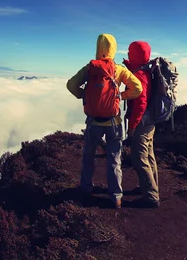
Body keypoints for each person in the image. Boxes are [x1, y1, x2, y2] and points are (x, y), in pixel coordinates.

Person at [67, 33, 142, 209]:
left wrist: (83, 95)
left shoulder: (90, 68)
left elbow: (71, 85)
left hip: (93, 122)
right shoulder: (119, 69)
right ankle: (116, 196)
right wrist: (121, 96)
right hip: (113, 122)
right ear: (113, 49)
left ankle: (86, 188)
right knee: (114, 158)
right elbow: (137, 88)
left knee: (88, 156)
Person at [123, 40, 160, 208]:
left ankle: (151, 197)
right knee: (149, 156)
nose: (129, 54)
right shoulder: (145, 70)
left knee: (139, 158)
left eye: (130, 52)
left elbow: (141, 103)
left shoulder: (139, 75)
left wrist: (132, 125)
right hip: (150, 121)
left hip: (142, 121)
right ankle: (150, 187)